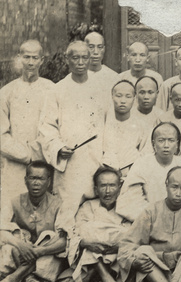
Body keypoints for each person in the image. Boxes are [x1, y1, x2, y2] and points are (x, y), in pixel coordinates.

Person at [38, 41, 107, 222]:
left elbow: (110, 123)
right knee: (67, 210)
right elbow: (47, 127)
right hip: (71, 163)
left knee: (95, 210)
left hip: (96, 158)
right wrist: (59, 147)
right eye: (75, 58)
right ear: (67, 59)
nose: (80, 62)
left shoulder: (101, 88)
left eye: (85, 57)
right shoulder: (57, 90)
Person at [57, 166, 131, 282]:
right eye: (103, 186)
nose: (108, 191)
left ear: (119, 188)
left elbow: (129, 235)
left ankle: (89, 277)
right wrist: (89, 242)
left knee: (110, 235)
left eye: (112, 186)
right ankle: (106, 280)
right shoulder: (87, 207)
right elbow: (79, 233)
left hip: (115, 257)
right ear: (96, 189)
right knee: (88, 234)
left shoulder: (126, 209)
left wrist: (112, 244)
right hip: (92, 251)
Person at [0, 161, 68, 282]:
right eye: (32, 178)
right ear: (25, 180)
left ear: (48, 182)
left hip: (45, 254)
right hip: (20, 252)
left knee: (51, 236)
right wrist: (21, 245)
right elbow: (1, 229)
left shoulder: (59, 204)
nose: (36, 183)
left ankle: (14, 277)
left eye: (41, 179)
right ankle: (30, 277)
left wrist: (39, 251)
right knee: (12, 234)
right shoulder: (14, 201)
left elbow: (65, 241)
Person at [1, 40, 54, 206]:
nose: (31, 62)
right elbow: (1, 134)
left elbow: (54, 127)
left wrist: (38, 154)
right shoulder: (6, 92)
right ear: (19, 58)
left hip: (43, 162)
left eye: (35, 58)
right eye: (26, 57)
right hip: (14, 164)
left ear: (42, 60)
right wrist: (25, 155)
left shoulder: (51, 89)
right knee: (11, 209)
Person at [116, 122, 181, 221]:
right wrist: (156, 216)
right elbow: (131, 200)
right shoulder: (142, 164)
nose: (166, 145)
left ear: (177, 144)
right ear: (153, 144)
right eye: (161, 140)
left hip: (178, 218)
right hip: (149, 218)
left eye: (171, 140)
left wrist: (175, 214)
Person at [102, 80, 149, 176]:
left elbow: (145, 154)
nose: (123, 101)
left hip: (132, 173)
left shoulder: (142, 126)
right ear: (112, 97)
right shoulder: (103, 123)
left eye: (128, 97)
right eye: (118, 96)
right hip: (105, 173)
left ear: (134, 99)